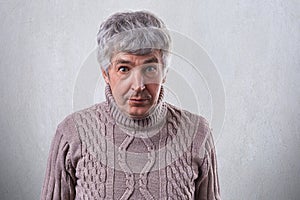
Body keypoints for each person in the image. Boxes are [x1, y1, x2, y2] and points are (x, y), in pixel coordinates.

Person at [41, 10, 221, 200]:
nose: (138, 86)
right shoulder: (72, 133)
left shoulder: (197, 133)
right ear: (105, 73)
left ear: (165, 73)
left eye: (150, 68)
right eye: (124, 69)